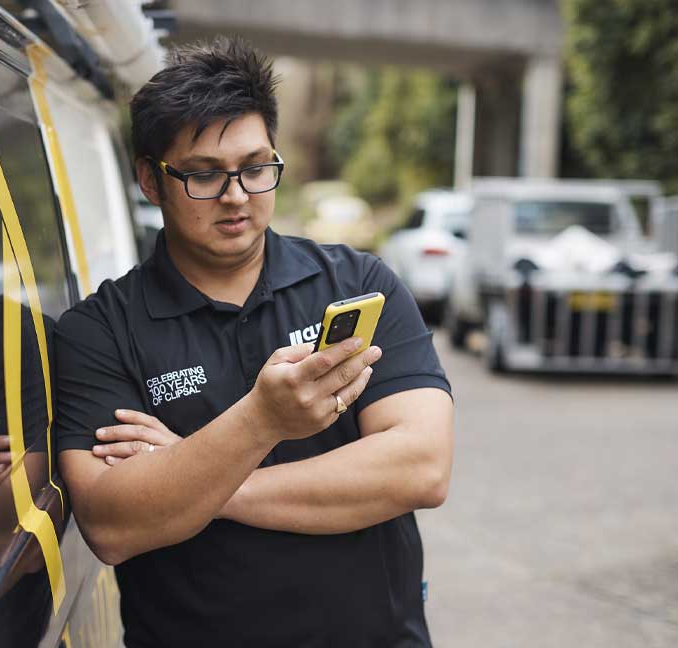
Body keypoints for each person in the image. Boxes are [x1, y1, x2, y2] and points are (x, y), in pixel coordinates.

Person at [53, 37, 454, 647]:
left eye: (255, 167)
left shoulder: (356, 283)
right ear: (151, 181)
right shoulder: (99, 331)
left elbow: (421, 468)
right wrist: (261, 420)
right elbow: (112, 524)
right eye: (205, 175)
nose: (237, 195)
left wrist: (194, 479)